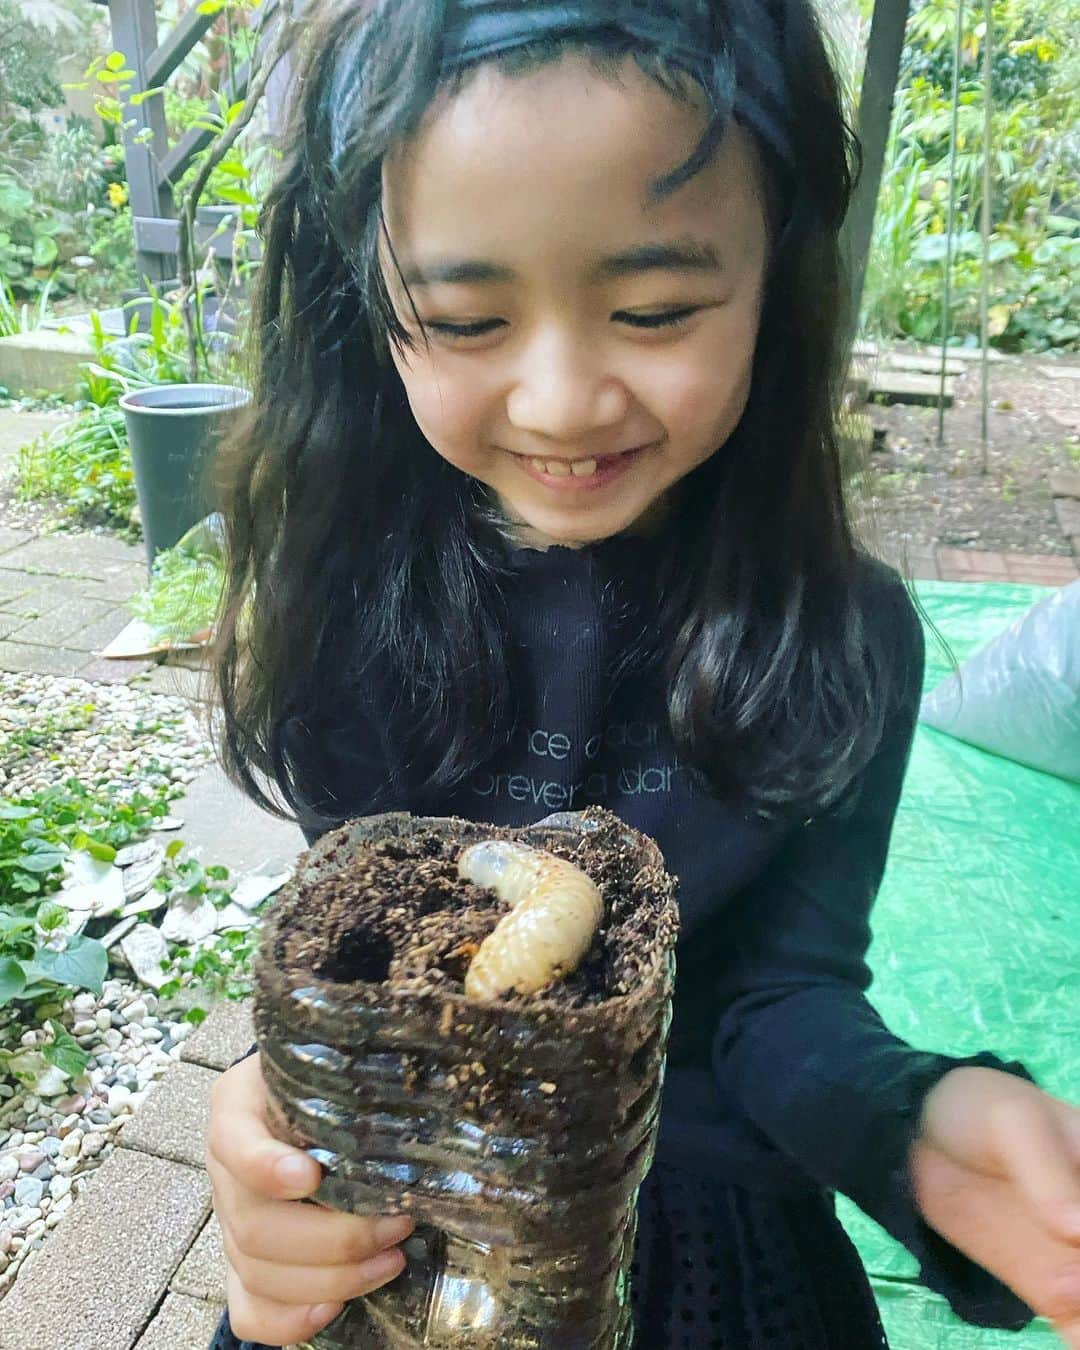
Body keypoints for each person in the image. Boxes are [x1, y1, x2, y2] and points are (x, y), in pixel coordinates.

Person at [204, 1, 1080, 1347]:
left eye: (656, 307)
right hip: (423, 1219)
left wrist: (915, 1125)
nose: (561, 398)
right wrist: (271, 1116)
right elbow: (356, 960)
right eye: (467, 318)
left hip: (717, 1245)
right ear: (369, 312)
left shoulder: (841, 638)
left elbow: (775, 998)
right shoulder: (356, 610)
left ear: (780, 278)